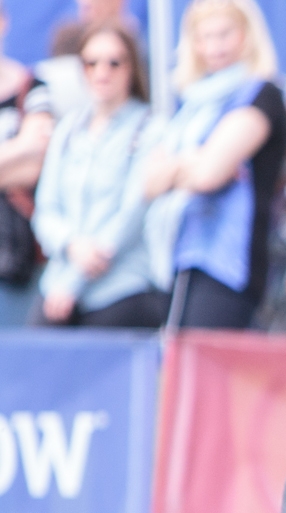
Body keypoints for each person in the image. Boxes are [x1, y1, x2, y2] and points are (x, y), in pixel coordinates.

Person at [143, 0, 286, 329]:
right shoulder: (192, 104)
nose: (215, 47)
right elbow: (149, 182)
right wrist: (196, 161)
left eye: (224, 34)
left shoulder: (262, 95)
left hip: (229, 263)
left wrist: (185, 166)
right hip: (179, 255)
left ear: (245, 36)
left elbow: (209, 174)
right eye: (205, 37)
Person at [30, 23, 166, 327]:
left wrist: (75, 279)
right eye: (92, 62)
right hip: (57, 284)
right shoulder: (69, 130)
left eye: (114, 62)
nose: (102, 71)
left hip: (120, 288)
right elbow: (46, 209)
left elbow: (131, 214)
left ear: (131, 67)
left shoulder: (150, 129)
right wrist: (70, 245)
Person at [0, 0, 53, 324]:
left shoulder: (31, 85)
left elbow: (38, 159)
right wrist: (16, 151)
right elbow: (26, 150)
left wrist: (27, 151)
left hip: (16, 256)